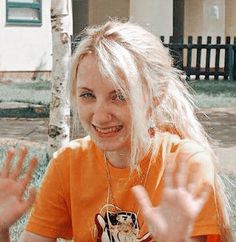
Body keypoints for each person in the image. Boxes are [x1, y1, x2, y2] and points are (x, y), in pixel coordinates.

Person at [0, 20, 232, 242]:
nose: (100, 116)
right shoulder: (69, 163)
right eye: (87, 95)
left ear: (156, 96)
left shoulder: (186, 163)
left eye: (119, 96)